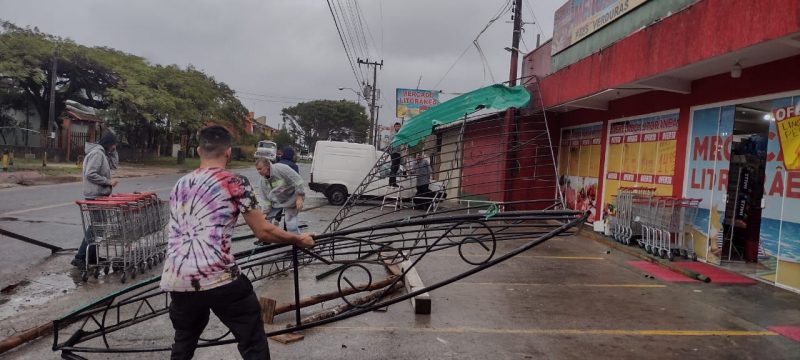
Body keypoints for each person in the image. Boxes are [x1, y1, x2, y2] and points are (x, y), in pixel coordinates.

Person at [160, 125, 314, 360]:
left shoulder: (180, 185)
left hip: (178, 278)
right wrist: (298, 239)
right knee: (252, 340)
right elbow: (263, 232)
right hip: (218, 277)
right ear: (228, 152)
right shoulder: (235, 182)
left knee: (184, 340)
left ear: (199, 150)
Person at [71, 132, 119, 269]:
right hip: (95, 195)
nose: (115, 147)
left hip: (99, 195)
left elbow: (114, 165)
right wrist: (108, 182)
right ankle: (80, 257)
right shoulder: (97, 154)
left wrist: (114, 151)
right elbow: (90, 173)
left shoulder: (103, 153)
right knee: (96, 227)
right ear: (109, 143)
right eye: (114, 144)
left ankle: (91, 256)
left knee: (99, 228)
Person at [255, 158, 305, 233]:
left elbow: (298, 180)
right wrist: (265, 212)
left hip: (291, 199)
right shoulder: (262, 182)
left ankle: (297, 241)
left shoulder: (281, 169)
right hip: (277, 202)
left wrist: (300, 197)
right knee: (265, 221)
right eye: (257, 169)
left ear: (267, 166)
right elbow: (265, 199)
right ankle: (267, 239)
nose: (258, 171)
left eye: (260, 169)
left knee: (291, 226)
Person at [388, 122, 402, 187]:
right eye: (397, 126)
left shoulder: (399, 133)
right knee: (394, 167)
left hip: (398, 152)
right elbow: (392, 142)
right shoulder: (393, 134)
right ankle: (392, 182)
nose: (398, 128)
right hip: (394, 152)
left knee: (396, 167)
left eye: (399, 126)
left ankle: (392, 182)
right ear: (395, 127)